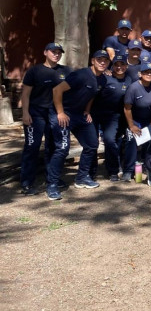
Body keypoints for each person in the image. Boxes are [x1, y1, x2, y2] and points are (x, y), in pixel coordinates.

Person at [47, 50, 110, 199]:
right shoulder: (81, 75)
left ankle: (82, 178)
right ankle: (52, 185)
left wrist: (87, 111)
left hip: (79, 114)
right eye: (99, 59)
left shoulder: (102, 79)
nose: (102, 62)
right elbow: (57, 90)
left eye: (105, 60)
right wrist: (61, 113)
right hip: (62, 113)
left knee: (92, 144)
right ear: (93, 61)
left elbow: (91, 95)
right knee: (62, 148)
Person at [19, 42, 71, 195]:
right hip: (36, 113)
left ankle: (52, 177)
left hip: (55, 113)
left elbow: (81, 78)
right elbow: (26, 93)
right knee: (32, 146)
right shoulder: (35, 71)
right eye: (53, 51)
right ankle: (27, 182)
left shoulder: (65, 70)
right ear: (45, 52)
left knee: (53, 147)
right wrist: (25, 113)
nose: (56, 54)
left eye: (59, 52)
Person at [91, 54, 134, 181]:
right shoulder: (105, 78)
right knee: (95, 142)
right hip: (98, 115)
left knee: (111, 141)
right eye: (116, 64)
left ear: (126, 66)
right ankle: (92, 171)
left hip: (116, 117)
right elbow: (92, 95)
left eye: (122, 64)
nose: (119, 67)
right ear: (112, 66)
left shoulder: (130, 80)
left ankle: (114, 170)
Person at [123, 62, 151, 179]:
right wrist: (131, 126)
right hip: (135, 120)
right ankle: (128, 170)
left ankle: (144, 166)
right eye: (146, 72)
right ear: (140, 74)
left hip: (149, 120)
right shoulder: (133, 88)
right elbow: (127, 108)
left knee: (149, 143)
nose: (149, 74)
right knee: (131, 142)